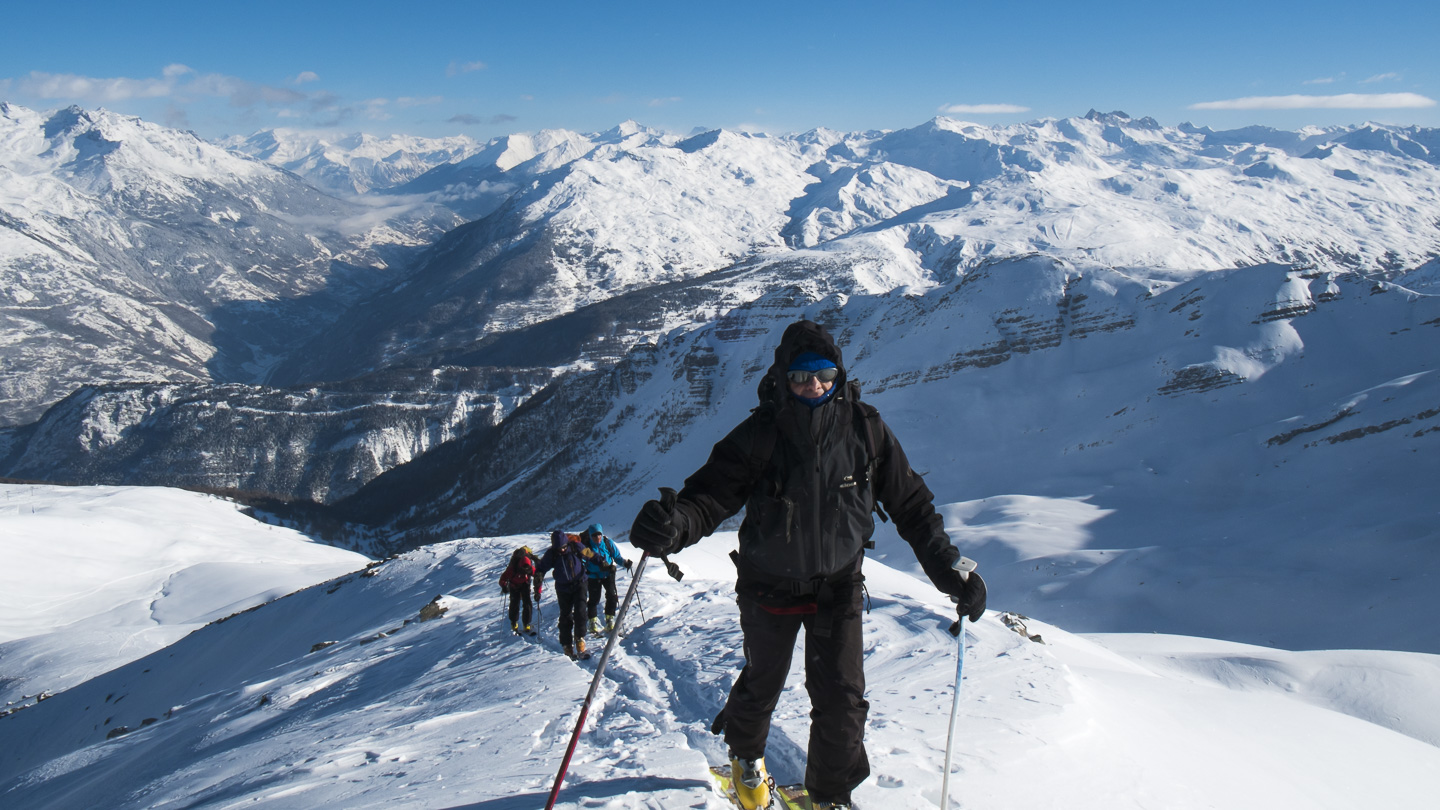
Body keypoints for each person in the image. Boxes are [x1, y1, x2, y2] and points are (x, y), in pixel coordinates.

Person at [628, 319, 987, 810]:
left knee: (842, 701)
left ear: (838, 375)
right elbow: (708, 500)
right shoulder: (760, 435)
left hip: (837, 588)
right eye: (800, 376)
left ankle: (830, 797)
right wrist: (672, 528)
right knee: (762, 683)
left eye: (823, 374)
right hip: (768, 587)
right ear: (782, 378)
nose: (812, 385)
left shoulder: (867, 430)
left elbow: (912, 507)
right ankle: (748, 762)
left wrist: (950, 571)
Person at [534, 529, 594, 659]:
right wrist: (538, 581)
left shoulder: (575, 546)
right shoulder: (552, 553)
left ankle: (580, 640)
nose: (561, 550)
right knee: (565, 615)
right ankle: (567, 645)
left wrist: (604, 564)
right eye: (559, 548)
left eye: (563, 547)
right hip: (563, 588)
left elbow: (590, 555)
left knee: (581, 611)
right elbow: (541, 568)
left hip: (580, 583)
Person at [580, 523, 631, 635]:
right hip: (593, 576)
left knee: (612, 596)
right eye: (594, 536)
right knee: (594, 599)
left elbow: (617, 557)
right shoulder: (586, 547)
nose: (597, 538)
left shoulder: (608, 543)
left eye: (599, 535)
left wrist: (624, 563)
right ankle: (593, 621)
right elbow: (583, 560)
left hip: (607, 574)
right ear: (590, 535)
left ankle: (609, 619)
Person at [498, 546, 541, 635]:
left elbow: (538, 579)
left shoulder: (529, 568)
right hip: (514, 586)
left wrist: (538, 592)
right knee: (515, 603)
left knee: (527, 603)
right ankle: (514, 622)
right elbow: (503, 579)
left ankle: (525, 623)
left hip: (524, 585)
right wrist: (504, 586)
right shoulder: (512, 569)